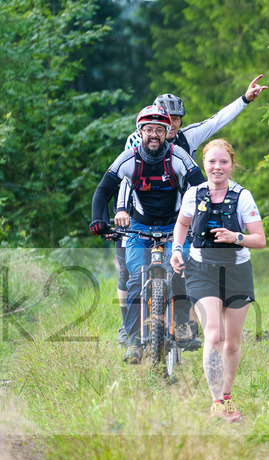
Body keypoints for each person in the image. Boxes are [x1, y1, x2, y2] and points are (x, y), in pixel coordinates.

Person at [112, 76, 269, 348]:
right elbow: (125, 179)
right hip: (137, 208)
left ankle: (184, 323)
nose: (170, 124)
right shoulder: (137, 140)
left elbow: (217, 121)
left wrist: (244, 100)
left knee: (187, 264)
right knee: (128, 272)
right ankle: (129, 329)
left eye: (176, 119)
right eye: (166, 117)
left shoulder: (188, 138)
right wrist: (120, 210)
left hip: (180, 210)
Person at [90, 104, 203, 364]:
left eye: (159, 130)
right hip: (139, 228)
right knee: (135, 277)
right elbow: (102, 190)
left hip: (174, 225)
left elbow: (201, 189)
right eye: (148, 129)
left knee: (179, 270)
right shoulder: (128, 159)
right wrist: (99, 219)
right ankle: (132, 341)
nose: (154, 135)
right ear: (140, 132)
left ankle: (183, 324)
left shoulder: (179, 156)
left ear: (167, 132)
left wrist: (201, 220)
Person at [171, 139, 266, 422]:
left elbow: (259, 240)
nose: (217, 167)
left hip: (237, 271)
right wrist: (177, 249)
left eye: (223, 162)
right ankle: (216, 403)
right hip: (201, 270)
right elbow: (182, 224)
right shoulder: (193, 194)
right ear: (204, 164)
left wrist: (235, 237)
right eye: (212, 162)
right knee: (214, 334)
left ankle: (227, 396)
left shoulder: (243, 197)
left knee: (232, 343)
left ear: (232, 165)